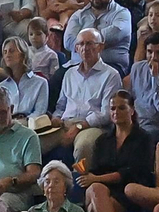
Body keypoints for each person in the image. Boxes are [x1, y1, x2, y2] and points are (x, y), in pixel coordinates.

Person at [82, 90, 154, 212]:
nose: (116, 112)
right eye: (113, 108)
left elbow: (134, 172)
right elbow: (94, 171)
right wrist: (95, 179)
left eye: (122, 108)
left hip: (127, 192)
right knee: (96, 189)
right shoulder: (102, 140)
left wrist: (98, 178)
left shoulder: (144, 139)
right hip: (100, 189)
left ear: (132, 110)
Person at [50, 28, 122, 159]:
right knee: (34, 140)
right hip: (65, 124)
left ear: (100, 47)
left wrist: (79, 126)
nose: (85, 48)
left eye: (90, 43)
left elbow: (107, 114)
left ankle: (81, 179)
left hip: (93, 126)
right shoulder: (69, 74)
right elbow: (61, 106)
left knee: (83, 146)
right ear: (76, 49)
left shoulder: (111, 75)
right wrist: (56, 117)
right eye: (81, 44)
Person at [64, 0, 131, 73]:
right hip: (77, 66)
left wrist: (82, 41)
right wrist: (95, 42)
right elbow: (68, 41)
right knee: (54, 82)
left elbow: (115, 34)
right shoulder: (78, 15)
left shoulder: (122, 14)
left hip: (111, 66)